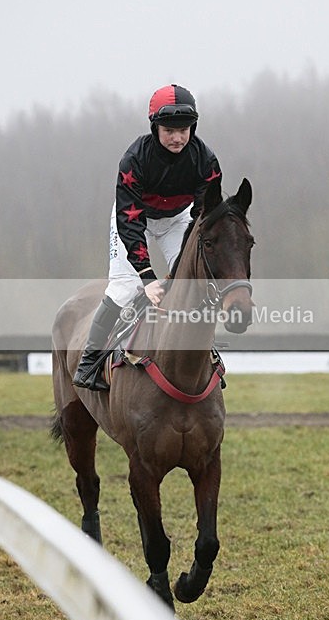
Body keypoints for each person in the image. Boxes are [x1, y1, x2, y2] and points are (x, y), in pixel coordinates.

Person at [73, 84, 222, 390]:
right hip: (134, 218)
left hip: (178, 218)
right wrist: (147, 276)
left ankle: (206, 352)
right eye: (169, 130)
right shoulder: (134, 159)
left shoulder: (206, 160)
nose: (178, 137)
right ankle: (89, 362)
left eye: (185, 130)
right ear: (155, 127)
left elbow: (204, 217)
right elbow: (129, 221)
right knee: (125, 287)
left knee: (193, 283)